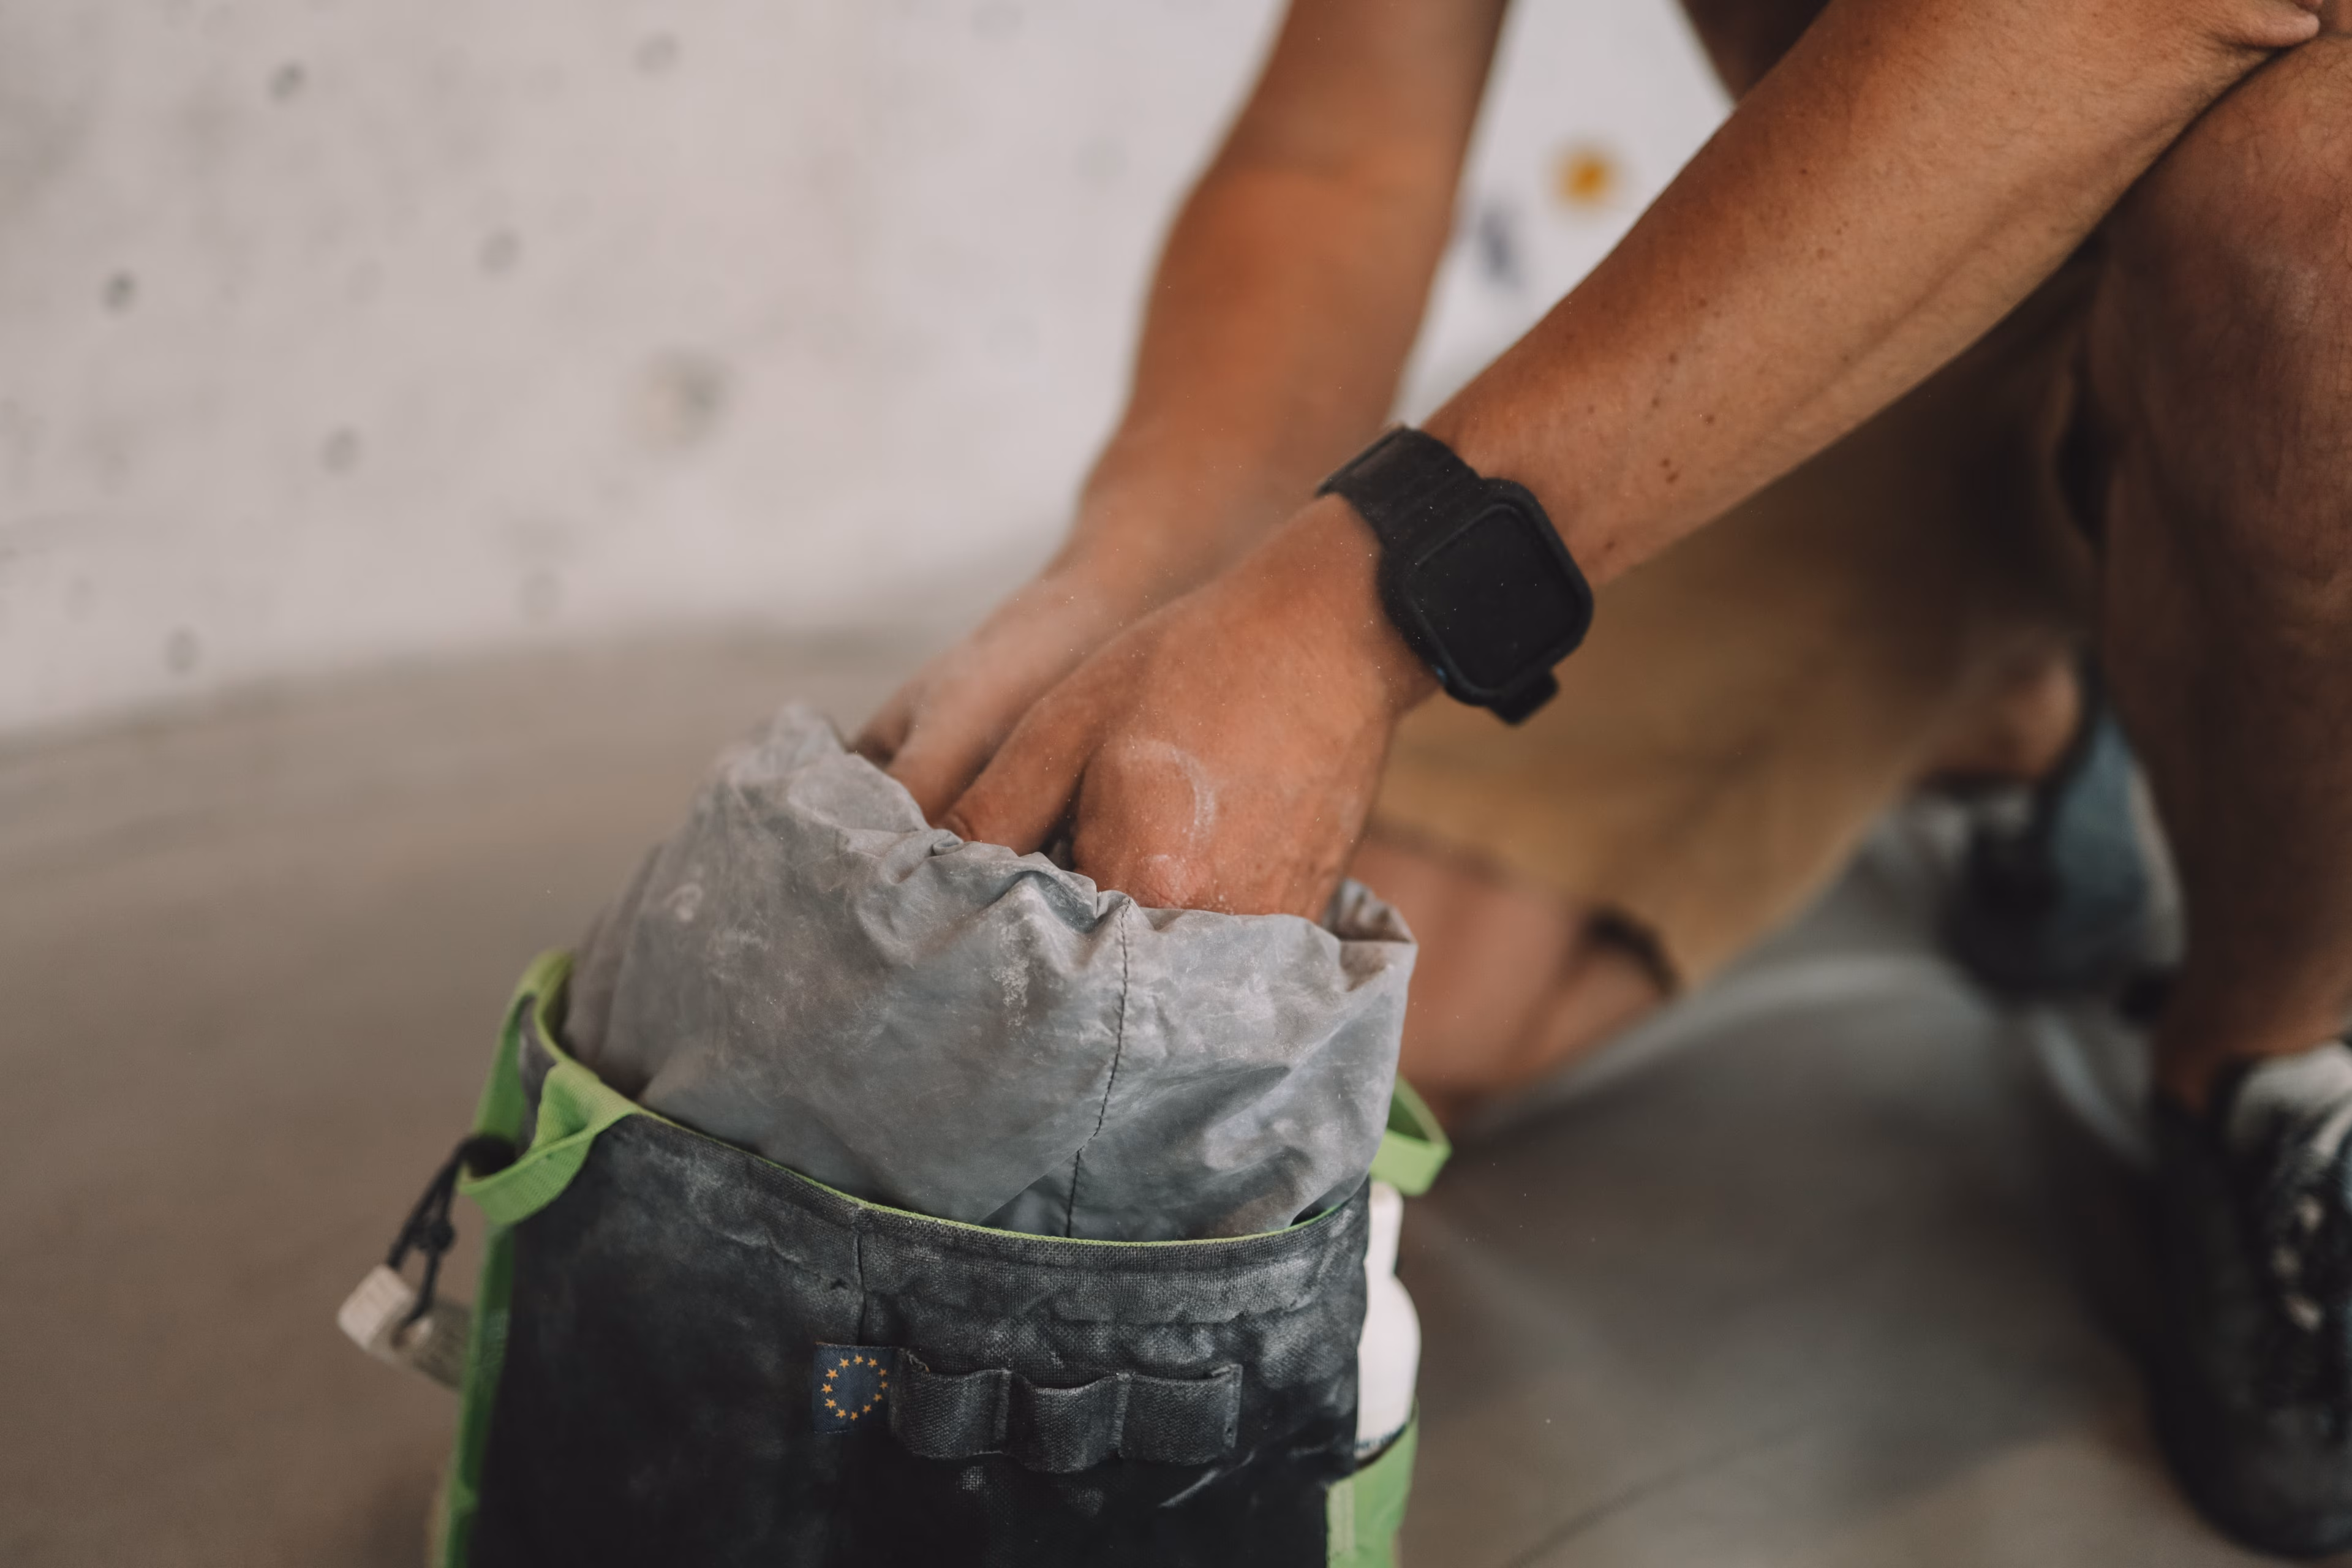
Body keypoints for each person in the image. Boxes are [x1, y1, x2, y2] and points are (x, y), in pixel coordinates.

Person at [854, 0, 2352, 1551]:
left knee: (2306, 228)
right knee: (1304, 1027)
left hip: (2297, 254)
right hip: (1927, 271)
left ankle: (2264, 1050)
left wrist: (1369, 601)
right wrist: (1142, 567)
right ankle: (2075, 670)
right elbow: (1345, 146)